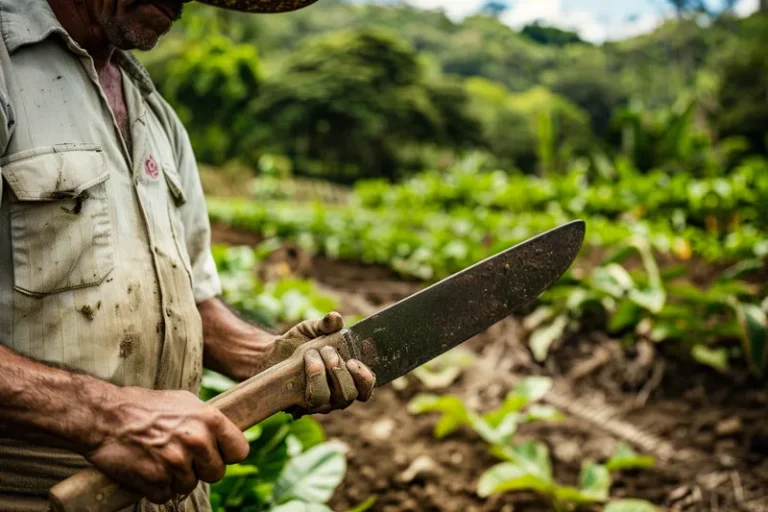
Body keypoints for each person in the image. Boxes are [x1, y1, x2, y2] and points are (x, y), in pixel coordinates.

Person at [0, 0, 375, 510]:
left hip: (176, 490)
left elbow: (193, 298)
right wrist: (104, 417)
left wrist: (264, 358)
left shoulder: (155, 114)